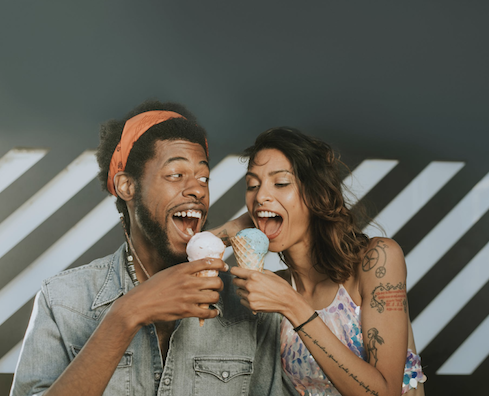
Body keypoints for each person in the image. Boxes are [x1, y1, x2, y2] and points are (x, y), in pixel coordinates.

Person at [10, 101, 296, 396]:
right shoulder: (61, 302)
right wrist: (126, 314)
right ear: (126, 186)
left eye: (204, 178)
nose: (198, 189)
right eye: (175, 174)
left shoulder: (250, 305)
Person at [229, 127, 427, 395]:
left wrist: (293, 305)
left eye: (281, 183)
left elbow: (384, 392)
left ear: (316, 194)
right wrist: (233, 228)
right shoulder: (273, 289)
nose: (260, 195)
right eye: (252, 185)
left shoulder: (376, 261)